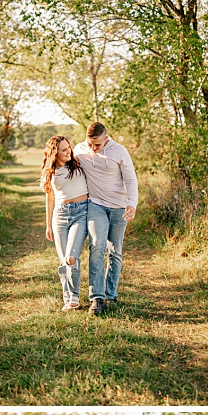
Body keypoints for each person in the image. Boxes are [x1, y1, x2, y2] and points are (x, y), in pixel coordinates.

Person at [74, 122, 137, 317]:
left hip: (118, 206)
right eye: (90, 144)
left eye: (98, 145)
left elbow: (130, 179)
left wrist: (132, 204)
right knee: (97, 245)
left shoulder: (119, 151)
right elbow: (65, 167)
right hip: (96, 204)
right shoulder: (79, 150)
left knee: (115, 250)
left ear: (106, 139)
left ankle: (111, 294)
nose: (93, 148)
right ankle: (96, 297)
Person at [40, 134, 89, 311]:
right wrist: (48, 225)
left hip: (81, 212)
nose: (68, 151)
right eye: (64, 150)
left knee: (71, 257)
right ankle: (67, 298)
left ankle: (74, 297)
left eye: (69, 148)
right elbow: (50, 199)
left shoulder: (78, 164)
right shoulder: (50, 172)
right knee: (63, 261)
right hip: (60, 216)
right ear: (55, 152)